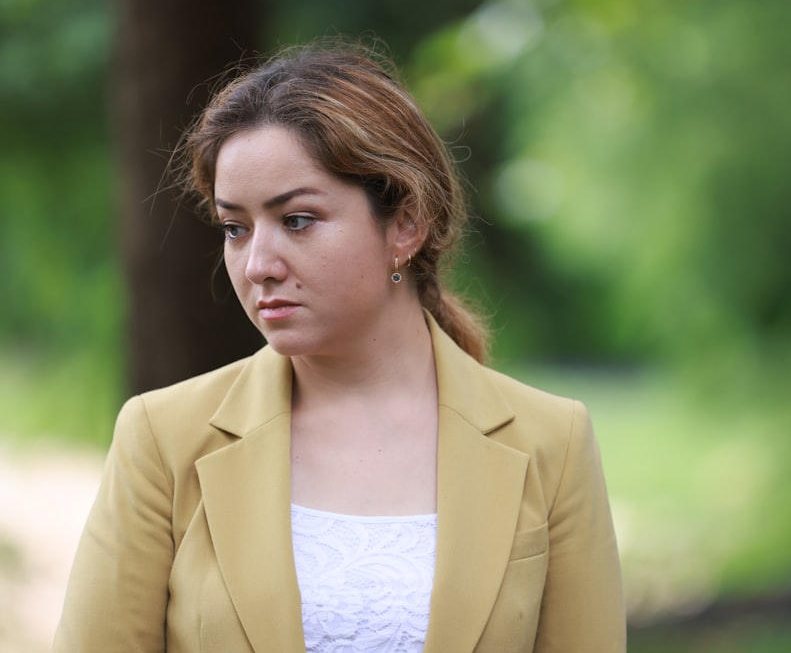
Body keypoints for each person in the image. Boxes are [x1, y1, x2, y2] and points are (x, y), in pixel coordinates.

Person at [53, 39, 625, 652]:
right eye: (235, 228)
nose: (257, 265)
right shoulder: (164, 438)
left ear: (405, 222)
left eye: (297, 220)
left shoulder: (550, 442)